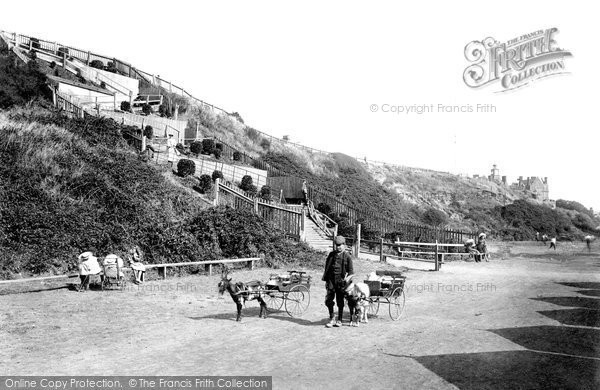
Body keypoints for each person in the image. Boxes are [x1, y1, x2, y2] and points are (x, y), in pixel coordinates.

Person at [322, 235, 353, 328]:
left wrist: (347, 279)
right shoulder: (331, 255)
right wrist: (326, 280)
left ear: (344, 245)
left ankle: (339, 319)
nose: (338, 247)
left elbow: (351, 271)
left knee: (340, 301)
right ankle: (332, 318)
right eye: (337, 245)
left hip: (341, 282)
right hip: (331, 280)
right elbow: (327, 268)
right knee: (328, 300)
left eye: (340, 245)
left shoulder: (347, 257)